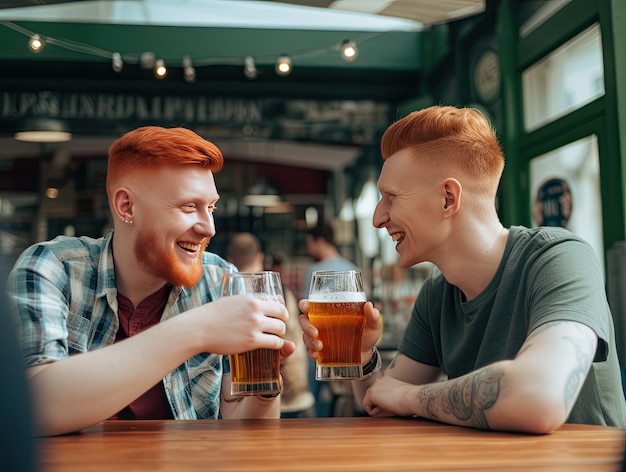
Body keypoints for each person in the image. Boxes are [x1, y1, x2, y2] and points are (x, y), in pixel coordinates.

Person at [299, 105, 626, 433]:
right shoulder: (438, 292)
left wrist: (410, 397)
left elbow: (539, 396)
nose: (377, 218)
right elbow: (382, 404)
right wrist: (363, 355)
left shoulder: (558, 257)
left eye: (391, 197)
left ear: (447, 199)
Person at [5, 126, 295, 437]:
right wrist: (198, 329)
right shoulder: (53, 267)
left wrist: (264, 383)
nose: (209, 228)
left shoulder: (220, 279)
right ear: (127, 206)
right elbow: (32, 408)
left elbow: (248, 432)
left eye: (211, 208)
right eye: (188, 207)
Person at [226, 232, 315, 417]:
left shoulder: (226, 297)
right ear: (260, 257)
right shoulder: (276, 292)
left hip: (243, 400)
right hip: (290, 394)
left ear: (230, 260)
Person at [301, 222, 360, 416]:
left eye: (310, 242)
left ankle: (317, 421)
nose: (308, 248)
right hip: (347, 349)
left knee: (314, 392)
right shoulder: (352, 269)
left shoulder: (314, 271)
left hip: (320, 345)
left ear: (319, 241)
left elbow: (305, 309)